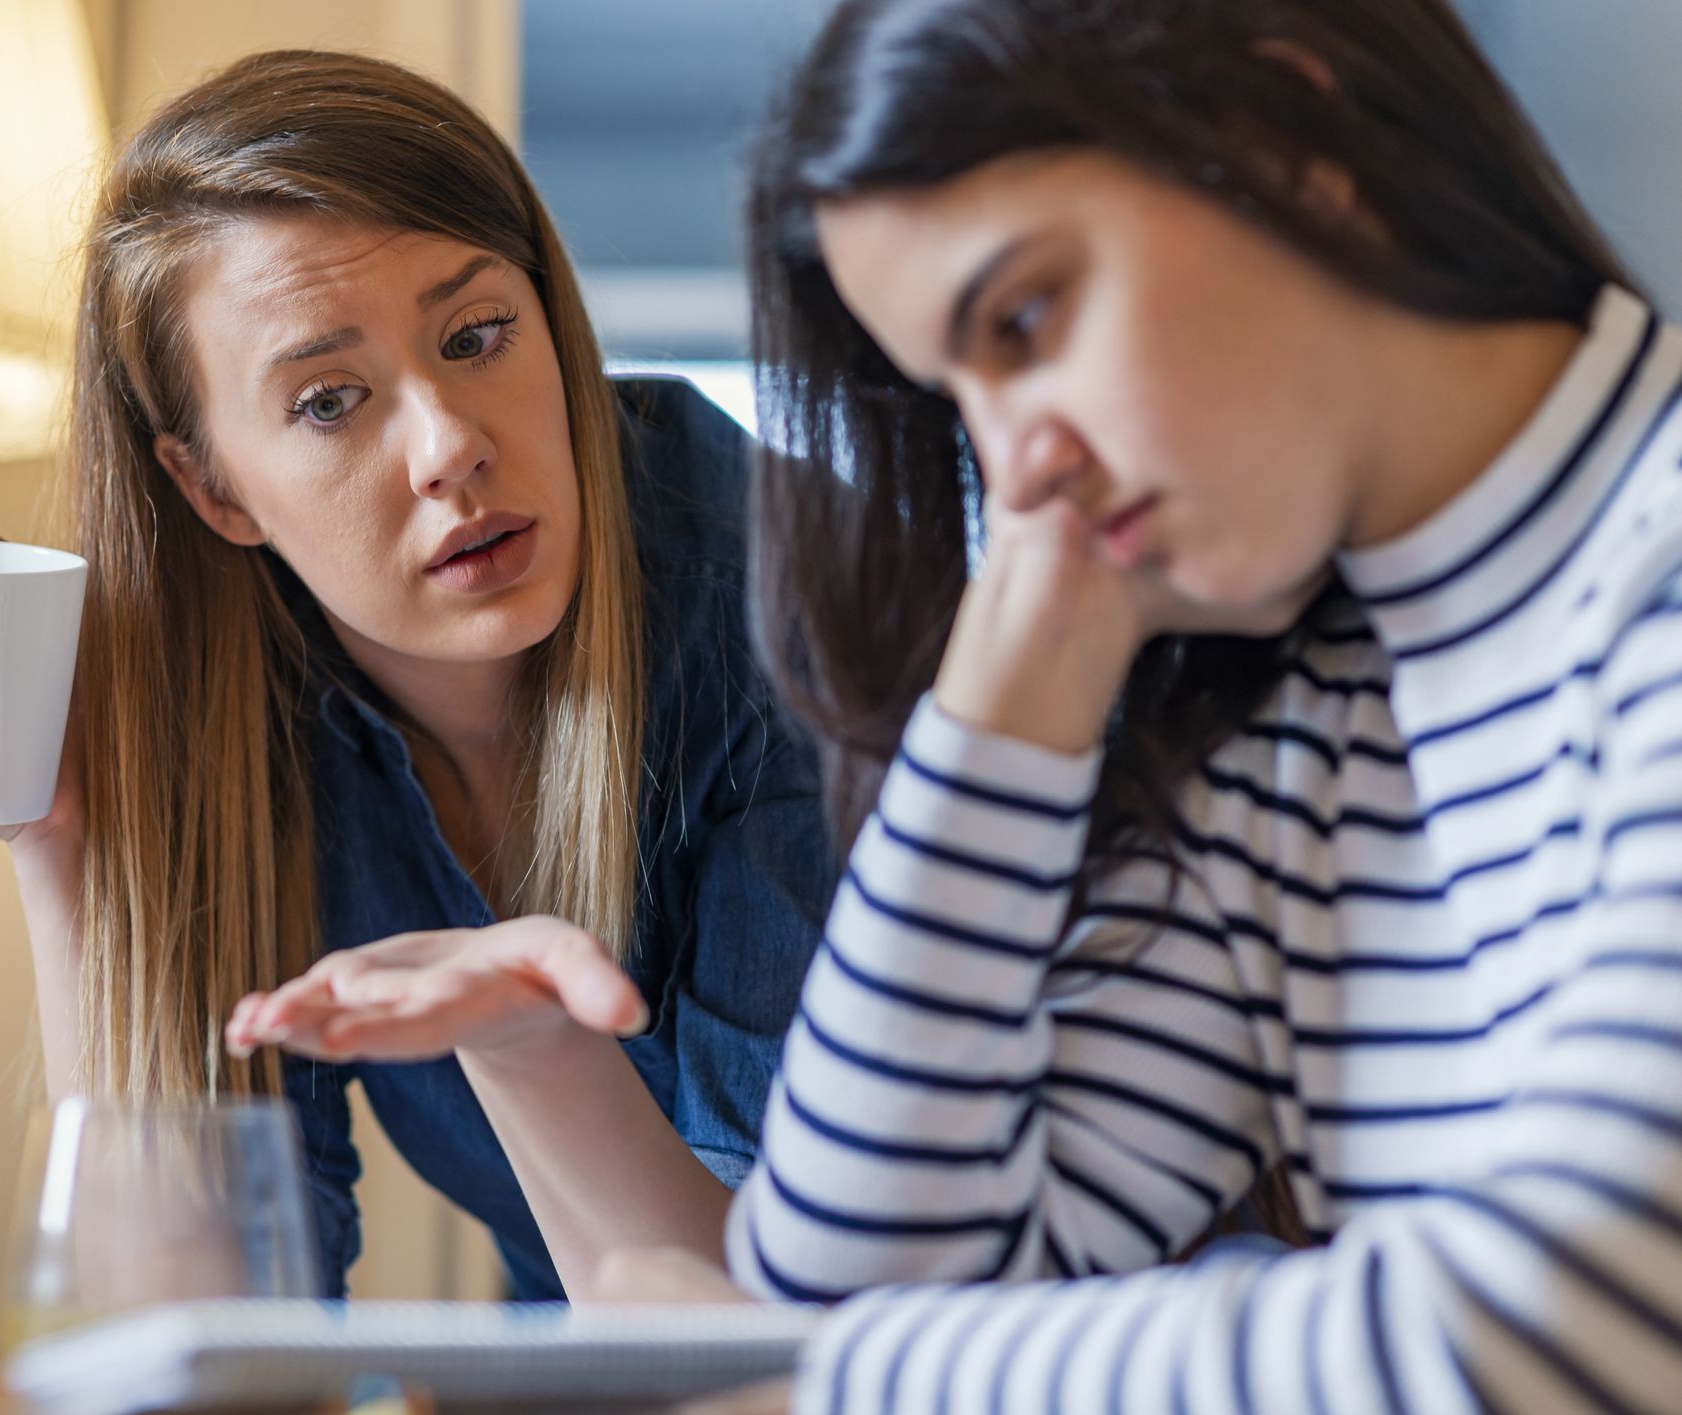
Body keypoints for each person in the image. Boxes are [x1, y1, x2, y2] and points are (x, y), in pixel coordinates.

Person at [709, 0, 1682, 1407]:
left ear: (1286, 142)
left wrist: (846, 1380)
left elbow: (1588, 1312)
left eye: (1024, 319)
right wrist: (1009, 692)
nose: (1016, 469)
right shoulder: (1295, 743)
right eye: (957, 400)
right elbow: (839, 1288)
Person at [0, 48, 833, 1303]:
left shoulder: (779, 613)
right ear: (210, 487)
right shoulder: (240, 718)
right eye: (328, 402)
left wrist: (524, 1035)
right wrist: (60, 852)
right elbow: (203, 1322)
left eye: (478, 335)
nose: (450, 444)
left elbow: (769, 1318)